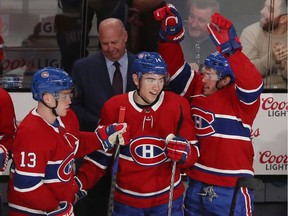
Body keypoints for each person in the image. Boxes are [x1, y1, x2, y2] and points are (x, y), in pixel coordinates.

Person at [154, 4, 264, 215]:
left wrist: (232, 50)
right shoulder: (197, 87)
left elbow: (252, 83)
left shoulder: (240, 101)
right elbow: (176, 70)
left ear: (225, 80)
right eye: (203, 72)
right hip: (196, 182)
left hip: (231, 186)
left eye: (210, 75)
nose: (203, 78)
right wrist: (169, 38)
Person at [74, 51, 200, 216]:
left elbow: (194, 151)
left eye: (161, 79)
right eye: (150, 80)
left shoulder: (178, 105)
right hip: (126, 203)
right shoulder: (114, 107)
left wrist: (185, 153)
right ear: (136, 79)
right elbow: (99, 156)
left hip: (167, 202)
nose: (157, 87)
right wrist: (78, 184)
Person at [7, 67, 128, 216]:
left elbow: (71, 144)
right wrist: (56, 209)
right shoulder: (31, 133)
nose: (70, 101)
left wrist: (100, 139)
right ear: (47, 98)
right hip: (31, 212)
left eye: (70, 94)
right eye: (64, 96)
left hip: (62, 207)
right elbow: (26, 185)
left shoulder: (68, 117)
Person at [71, 18, 136, 216]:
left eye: (115, 42)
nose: (110, 48)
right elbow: (72, 107)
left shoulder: (142, 66)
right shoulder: (83, 67)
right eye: (105, 43)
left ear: (125, 37)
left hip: (132, 156)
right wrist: (102, 126)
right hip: (94, 153)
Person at [240, 0, 287, 89]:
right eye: (264, 6)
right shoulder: (250, 33)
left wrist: (284, 65)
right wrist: (271, 58)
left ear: (283, 19)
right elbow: (244, 73)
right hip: (259, 95)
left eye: (270, 10)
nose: (262, 11)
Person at [181, 0, 220, 71]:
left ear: (213, 24)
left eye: (201, 20)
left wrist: (201, 69)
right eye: (192, 17)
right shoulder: (176, 36)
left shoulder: (222, 44)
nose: (194, 25)